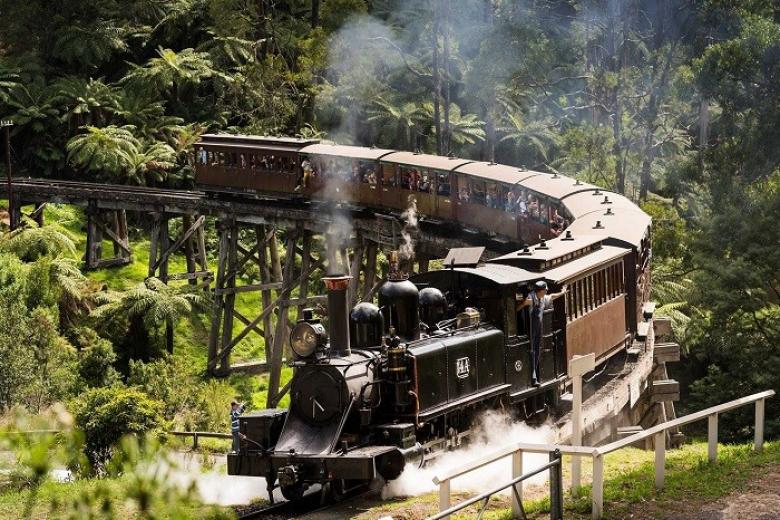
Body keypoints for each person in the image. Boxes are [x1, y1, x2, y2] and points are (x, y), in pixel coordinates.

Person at [517, 281, 563, 386]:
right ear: (541, 290)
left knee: (537, 351)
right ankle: (533, 377)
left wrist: (563, 292)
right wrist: (524, 304)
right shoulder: (531, 297)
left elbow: (552, 296)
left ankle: (534, 375)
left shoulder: (542, 298)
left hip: (538, 329)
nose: (546, 291)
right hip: (530, 329)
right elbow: (518, 308)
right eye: (545, 290)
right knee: (532, 351)